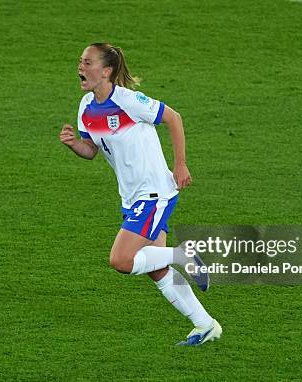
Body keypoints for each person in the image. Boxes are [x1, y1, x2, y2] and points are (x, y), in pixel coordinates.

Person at [59, 42, 221, 346]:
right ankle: (205, 324)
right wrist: (73, 145)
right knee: (156, 268)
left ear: (106, 71)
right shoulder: (86, 108)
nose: (80, 67)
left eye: (88, 62)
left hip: (154, 191)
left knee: (122, 260)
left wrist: (181, 164)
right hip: (131, 196)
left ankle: (184, 256)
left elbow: (174, 117)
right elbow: (91, 150)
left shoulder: (128, 101)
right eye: (80, 61)